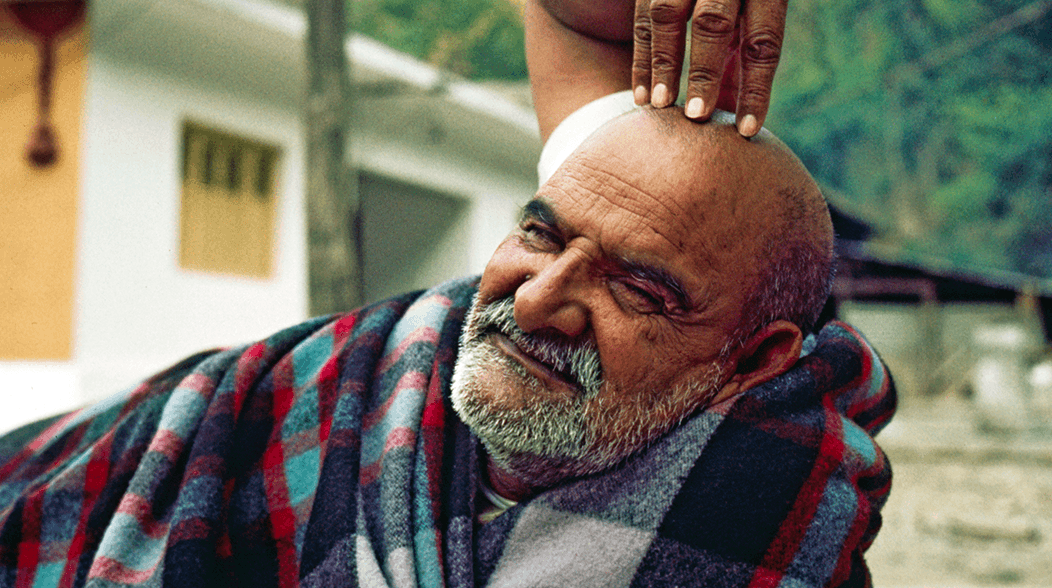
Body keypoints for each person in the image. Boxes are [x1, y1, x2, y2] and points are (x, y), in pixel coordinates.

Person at [0, 0, 895, 586]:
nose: (542, 299)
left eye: (638, 287)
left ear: (758, 356)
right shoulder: (609, 180)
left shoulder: (770, 516)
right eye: (540, 233)